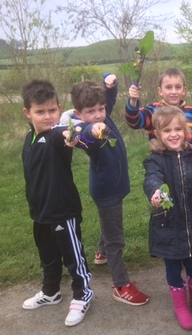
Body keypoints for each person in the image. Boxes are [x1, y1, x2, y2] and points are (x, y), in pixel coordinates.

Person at [67, 74, 149, 305]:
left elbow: (109, 97)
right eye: (91, 111)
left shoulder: (105, 114)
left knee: (109, 225)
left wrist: (108, 83)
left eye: (100, 109)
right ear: (78, 114)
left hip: (116, 186)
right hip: (107, 192)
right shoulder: (86, 132)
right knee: (117, 239)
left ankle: (101, 253)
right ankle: (121, 285)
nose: (98, 115)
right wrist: (92, 130)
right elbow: (83, 134)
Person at [20, 79, 93, 327]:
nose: (48, 116)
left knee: (74, 257)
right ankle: (51, 292)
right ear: (27, 113)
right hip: (40, 213)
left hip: (63, 212)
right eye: (40, 112)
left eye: (52, 110)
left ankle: (83, 293)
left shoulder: (55, 135)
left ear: (59, 108)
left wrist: (74, 133)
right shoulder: (30, 138)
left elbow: (65, 133)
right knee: (48, 256)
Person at [143, 106, 192, 330]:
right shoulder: (155, 161)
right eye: (167, 130)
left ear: (186, 131)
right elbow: (152, 179)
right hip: (168, 227)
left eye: (178, 128)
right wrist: (156, 192)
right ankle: (180, 306)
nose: (173, 134)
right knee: (173, 268)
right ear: (158, 134)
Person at [125, 67, 192, 270]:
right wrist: (133, 101)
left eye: (177, 87)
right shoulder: (154, 110)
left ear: (184, 90)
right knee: (170, 210)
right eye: (168, 87)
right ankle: (172, 250)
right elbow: (134, 120)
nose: (173, 91)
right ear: (160, 90)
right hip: (165, 168)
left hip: (190, 169)